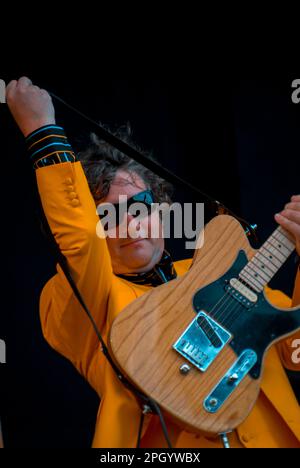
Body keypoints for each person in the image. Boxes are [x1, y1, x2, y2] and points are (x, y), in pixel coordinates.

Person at [6, 76, 300, 448]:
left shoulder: (223, 265)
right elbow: (80, 243)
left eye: (141, 208)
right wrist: (42, 132)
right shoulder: (81, 297)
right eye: (107, 216)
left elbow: (296, 353)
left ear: (162, 211)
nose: (128, 224)